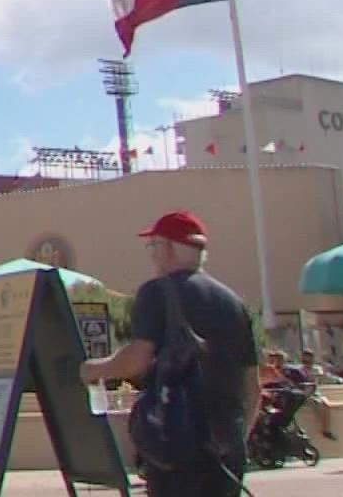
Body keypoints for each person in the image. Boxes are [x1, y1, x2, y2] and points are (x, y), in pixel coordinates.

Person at [81, 210, 258, 497]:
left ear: (169, 248)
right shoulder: (233, 303)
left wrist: (94, 370)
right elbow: (252, 386)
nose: (152, 254)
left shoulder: (155, 292)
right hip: (226, 449)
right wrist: (236, 440)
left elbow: (137, 358)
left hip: (175, 446)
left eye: (154, 246)